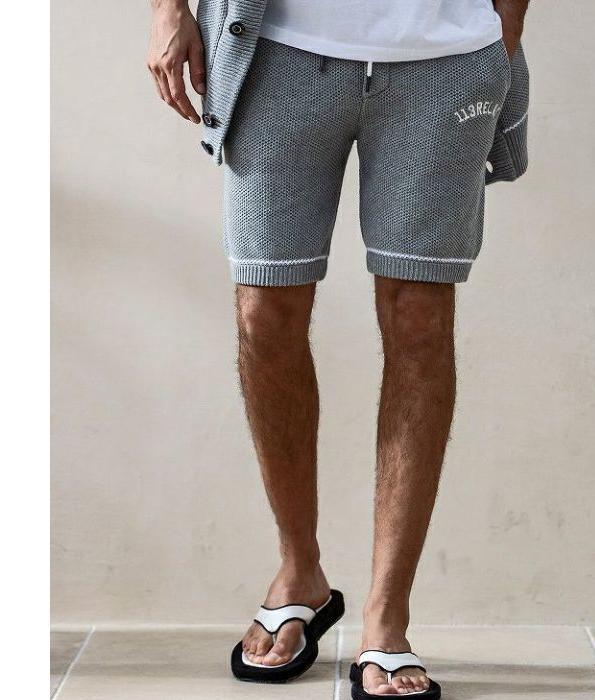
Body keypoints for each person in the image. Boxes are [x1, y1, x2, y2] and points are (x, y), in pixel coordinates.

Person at [148, 1, 530, 696]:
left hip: (445, 58)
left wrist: (507, 24)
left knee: (420, 319)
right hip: (275, 52)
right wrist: (169, 9)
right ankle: (300, 572)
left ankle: (388, 617)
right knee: (265, 311)